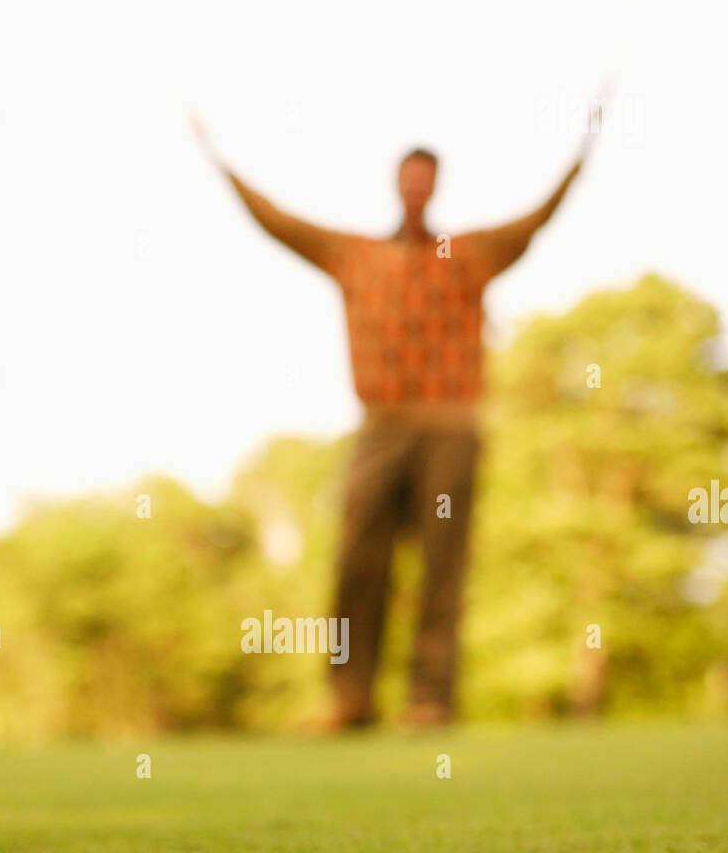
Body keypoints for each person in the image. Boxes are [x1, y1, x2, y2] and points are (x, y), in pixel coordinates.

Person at [193, 115, 595, 727]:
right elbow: (278, 221)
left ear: (436, 187)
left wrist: (582, 150)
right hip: (379, 426)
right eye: (408, 178)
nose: (415, 188)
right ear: (396, 183)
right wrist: (216, 155)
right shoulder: (354, 254)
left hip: (451, 426)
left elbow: (536, 219)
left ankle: (430, 699)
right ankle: (350, 696)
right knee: (358, 559)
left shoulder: (469, 253)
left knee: (442, 563)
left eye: (424, 180)